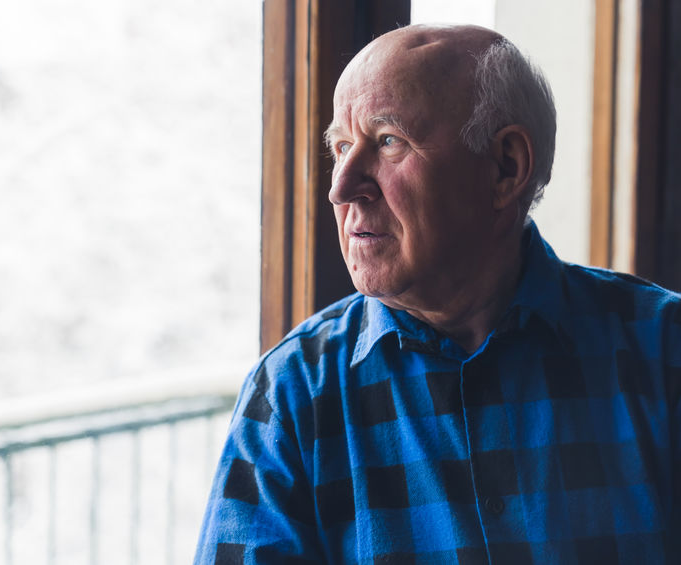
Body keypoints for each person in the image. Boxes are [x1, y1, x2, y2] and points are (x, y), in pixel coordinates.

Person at [195, 24, 681, 564]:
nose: (341, 187)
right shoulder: (293, 393)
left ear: (506, 167)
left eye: (387, 142)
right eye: (340, 147)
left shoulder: (662, 350)